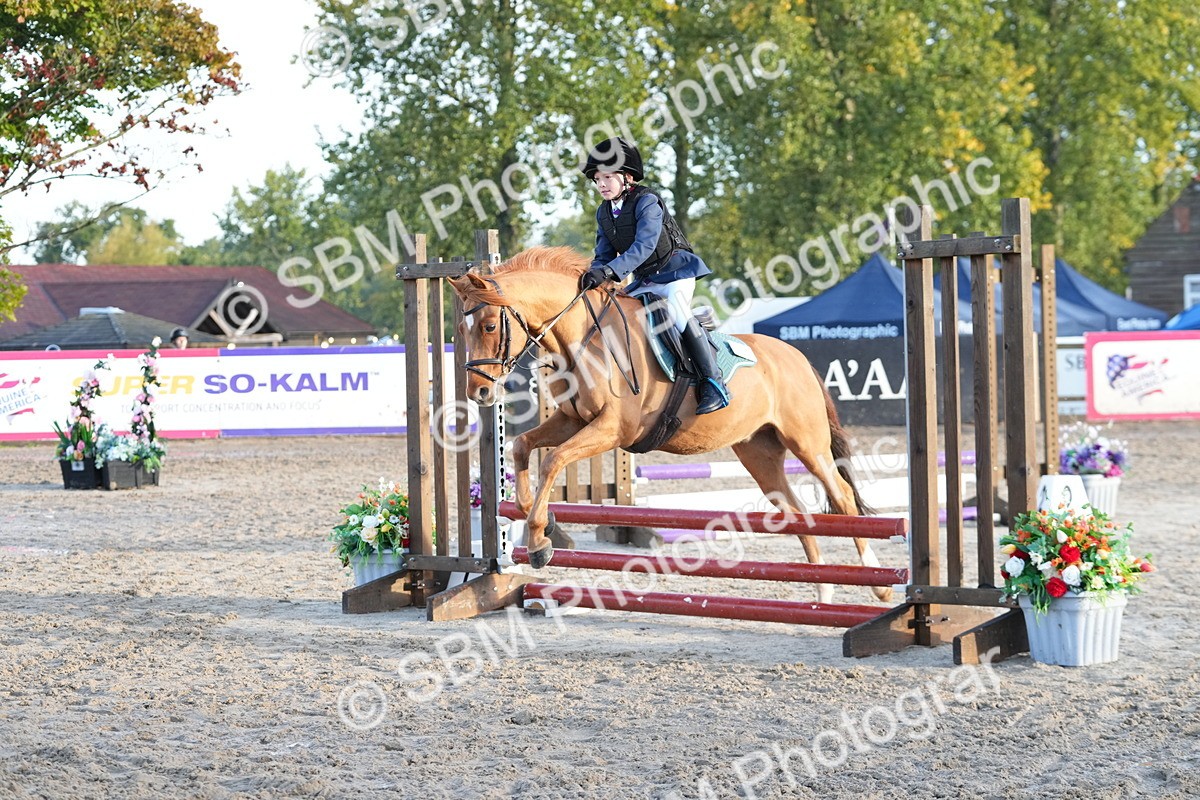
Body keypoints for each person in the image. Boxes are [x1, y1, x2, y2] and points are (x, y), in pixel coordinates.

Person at [580, 137, 731, 414]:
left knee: (676, 311)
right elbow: (603, 255)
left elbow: (644, 246)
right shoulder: (604, 213)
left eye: (608, 177)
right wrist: (593, 275)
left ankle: (713, 382)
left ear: (626, 177)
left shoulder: (647, 201)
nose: (601, 184)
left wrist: (611, 271)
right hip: (645, 280)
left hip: (676, 272)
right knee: (613, 314)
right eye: (597, 179)